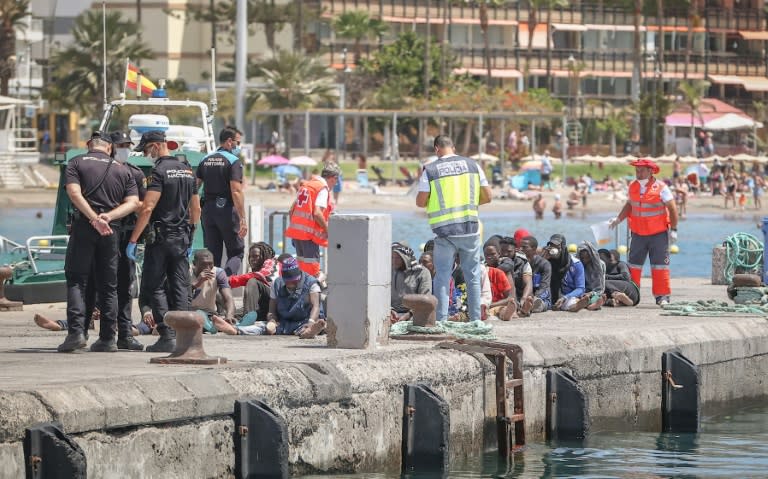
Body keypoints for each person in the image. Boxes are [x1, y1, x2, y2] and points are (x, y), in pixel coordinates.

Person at [57, 131, 140, 353]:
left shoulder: (76, 163)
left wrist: (94, 218)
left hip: (85, 226)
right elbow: (133, 202)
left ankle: (76, 333)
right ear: (110, 148)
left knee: (76, 280)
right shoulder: (122, 169)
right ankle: (107, 338)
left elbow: (74, 194)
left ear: (88, 145)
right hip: (111, 230)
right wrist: (108, 217)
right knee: (109, 285)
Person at [126, 130, 200, 352]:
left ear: (157, 146)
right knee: (180, 286)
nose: (147, 154)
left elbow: (148, 207)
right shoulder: (187, 171)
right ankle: (184, 336)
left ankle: (167, 335)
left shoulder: (159, 171)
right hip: (182, 237)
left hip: (160, 238)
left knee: (153, 285)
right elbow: (196, 208)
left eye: (147, 149)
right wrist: (191, 235)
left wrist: (133, 239)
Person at [416, 135, 492, 323]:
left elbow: (420, 201)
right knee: (473, 276)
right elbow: (488, 196)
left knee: (442, 276)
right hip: (470, 229)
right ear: (454, 148)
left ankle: (441, 320)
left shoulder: (431, 170)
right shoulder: (473, 165)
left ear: (436, 149)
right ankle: (475, 320)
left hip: (445, 232)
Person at [609, 158, 678, 306]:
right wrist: (618, 219)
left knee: (660, 267)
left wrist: (674, 230)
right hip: (638, 234)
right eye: (636, 170)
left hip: (658, 234)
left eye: (641, 170)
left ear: (650, 171)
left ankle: (662, 297)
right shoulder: (633, 186)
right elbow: (629, 205)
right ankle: (631, 296)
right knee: (633, 266)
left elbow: (672, 208)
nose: (638, 173)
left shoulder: (661, 187)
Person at [105, 130, 148, 350]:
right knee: (101, 284)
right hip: (104, 232)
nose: (125, 149)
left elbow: (142, 205)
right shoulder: (101, 170)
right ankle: (104, 333)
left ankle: (124, 332)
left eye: (127, 145)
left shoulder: (135, 173)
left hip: (126, 233)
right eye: (120, 145)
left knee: (125, 284)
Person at [214, 256, 325, 338]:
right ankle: (236, 330)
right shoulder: (277, 283)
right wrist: (272, 320)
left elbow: (315, 306)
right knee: (264, 327)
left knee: (305, 328)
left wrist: (310, 321)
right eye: (288, 282)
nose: (290, 284)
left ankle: (311, 331)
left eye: (293, 281)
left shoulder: (311, 283)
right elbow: (271, 309)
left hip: (304, 320)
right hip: (284, 321)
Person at [196, 126, 247, 276]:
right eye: (237, 143)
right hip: (227, 211)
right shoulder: (233, 161)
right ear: (229, 142)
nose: (239, 147)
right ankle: (224, 282)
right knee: (236, 252)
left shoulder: (205, 159)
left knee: (212, 255)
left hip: (208, 212)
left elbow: (195, 187)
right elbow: (236, 191)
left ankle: (211, 290)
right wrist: (243, 218)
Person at [285, 163, 341, 276]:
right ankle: (311, 292)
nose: (336, 184)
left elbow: (291, 210)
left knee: (302, 269)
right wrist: (327, 230)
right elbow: (317, 213)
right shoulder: (322, 189)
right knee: (312, 271)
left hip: (297, 235)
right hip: (308, 236)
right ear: (333, 178)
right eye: (336, 181)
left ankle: (302, 292)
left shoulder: (306, 186)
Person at [190, 249, 237, 333]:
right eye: (203, 264)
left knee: (211, 316)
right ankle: (214, 326)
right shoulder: (186, 272)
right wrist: (197, 282)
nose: (208, 268)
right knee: (193, 319)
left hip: (208, 313)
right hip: (188, 311)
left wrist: (229, 315)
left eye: (210, 264)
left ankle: (226, 324)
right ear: (194, 264)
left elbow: (228, 297)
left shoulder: (218, 273)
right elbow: (178, 295)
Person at [228, 242, 276, 322]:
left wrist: (226, 279)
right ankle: (221, 319)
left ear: (264, 257)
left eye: (256, 256)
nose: (252, 259)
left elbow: (255, 276)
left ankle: (247, 319)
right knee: (232, 313)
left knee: (252, 281)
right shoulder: (253, 273)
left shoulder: (269, 268)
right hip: (258, 310)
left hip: (271, 308)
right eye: (250, 256)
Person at [391, 243, 433, 322]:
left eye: (397, 258)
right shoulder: (389, 271)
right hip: (392, 314)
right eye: (392, 257)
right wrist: (390, 311)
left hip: (414, 314)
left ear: (405, 258)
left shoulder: (422, 272)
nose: (394, 261)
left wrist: (408, 315)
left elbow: (425, 299)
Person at [544, 234, 585, 311]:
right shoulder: (546, 261)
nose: (554, 249)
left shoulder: (576, 264)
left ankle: (577, 305)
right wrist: (543, 261)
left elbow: (580, 288)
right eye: (552, 246)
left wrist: (565, 297)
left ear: (563, 248)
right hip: (549, 295)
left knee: (570, 302)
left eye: (557, 247)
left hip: (567, 296)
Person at [569, 241, 606, 312]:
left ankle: (593, 305)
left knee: (596, 297)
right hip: (579, 290)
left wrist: (590, 293)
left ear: (591, 255)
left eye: (587, 257)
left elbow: (600, 286)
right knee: (576, 299)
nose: (585, 260)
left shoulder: (600, 265)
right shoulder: (576, 263)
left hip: (593, 292)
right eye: (582, 258)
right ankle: (588, 305)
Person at [518, 236, 551, 314]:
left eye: (524, 247)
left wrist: (534, 297)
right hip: (523, 296)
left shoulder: (544, 264)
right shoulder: (518, 263)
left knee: (539, 302)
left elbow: (544, 287)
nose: (521, 249)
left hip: (540, 297)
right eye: (520, 247)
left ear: (534, 249)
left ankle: (529, 306)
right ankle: (525, 306)